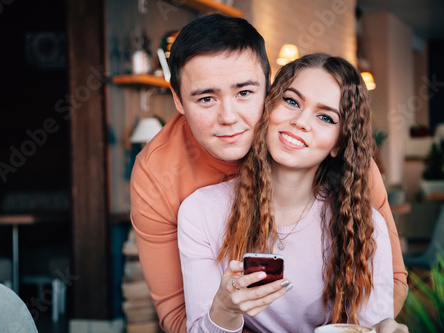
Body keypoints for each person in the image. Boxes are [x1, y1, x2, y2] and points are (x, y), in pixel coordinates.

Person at [129, 14, 407, 333]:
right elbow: (181, 318)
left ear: (268, 89)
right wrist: (225, 310)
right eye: (206, 98)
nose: (229, 117)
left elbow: (390, 282)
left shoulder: (347, 167)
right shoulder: (164, 181)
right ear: (178, 99)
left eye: (245, 93)